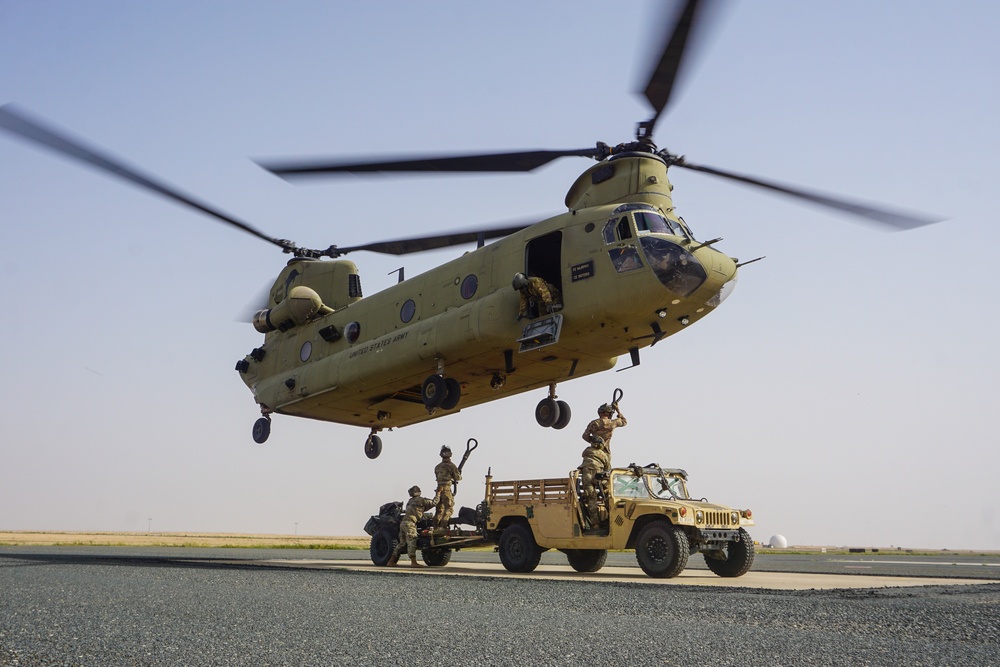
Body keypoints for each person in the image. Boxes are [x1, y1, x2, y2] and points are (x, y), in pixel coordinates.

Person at [389, 485, 436, 567]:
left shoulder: (410, 501)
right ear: (418, 492)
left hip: (403, 523)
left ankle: (391, 561)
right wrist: (438, 493)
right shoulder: (421, 500)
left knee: (402, 543)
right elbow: (434, 502)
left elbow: (420, 509)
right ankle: (413, 562)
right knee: (412, 541)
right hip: (410, 523)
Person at [578, 435, 611, 526]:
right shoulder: (604, 455)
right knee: (607, 496)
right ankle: (612, 519)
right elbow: (608, 468)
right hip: (599, 476)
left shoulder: (587, 451)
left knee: (591, 500)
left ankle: (595, 524)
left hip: (587, 476)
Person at [432, 445, 462, 528]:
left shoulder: (437, 467)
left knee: (439, 511)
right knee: (449, 509)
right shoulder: (451, 466)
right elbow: (458, 478)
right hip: (446, 490)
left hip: (438, 490)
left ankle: (435, 528)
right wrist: (458, 473)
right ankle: (443, 528)